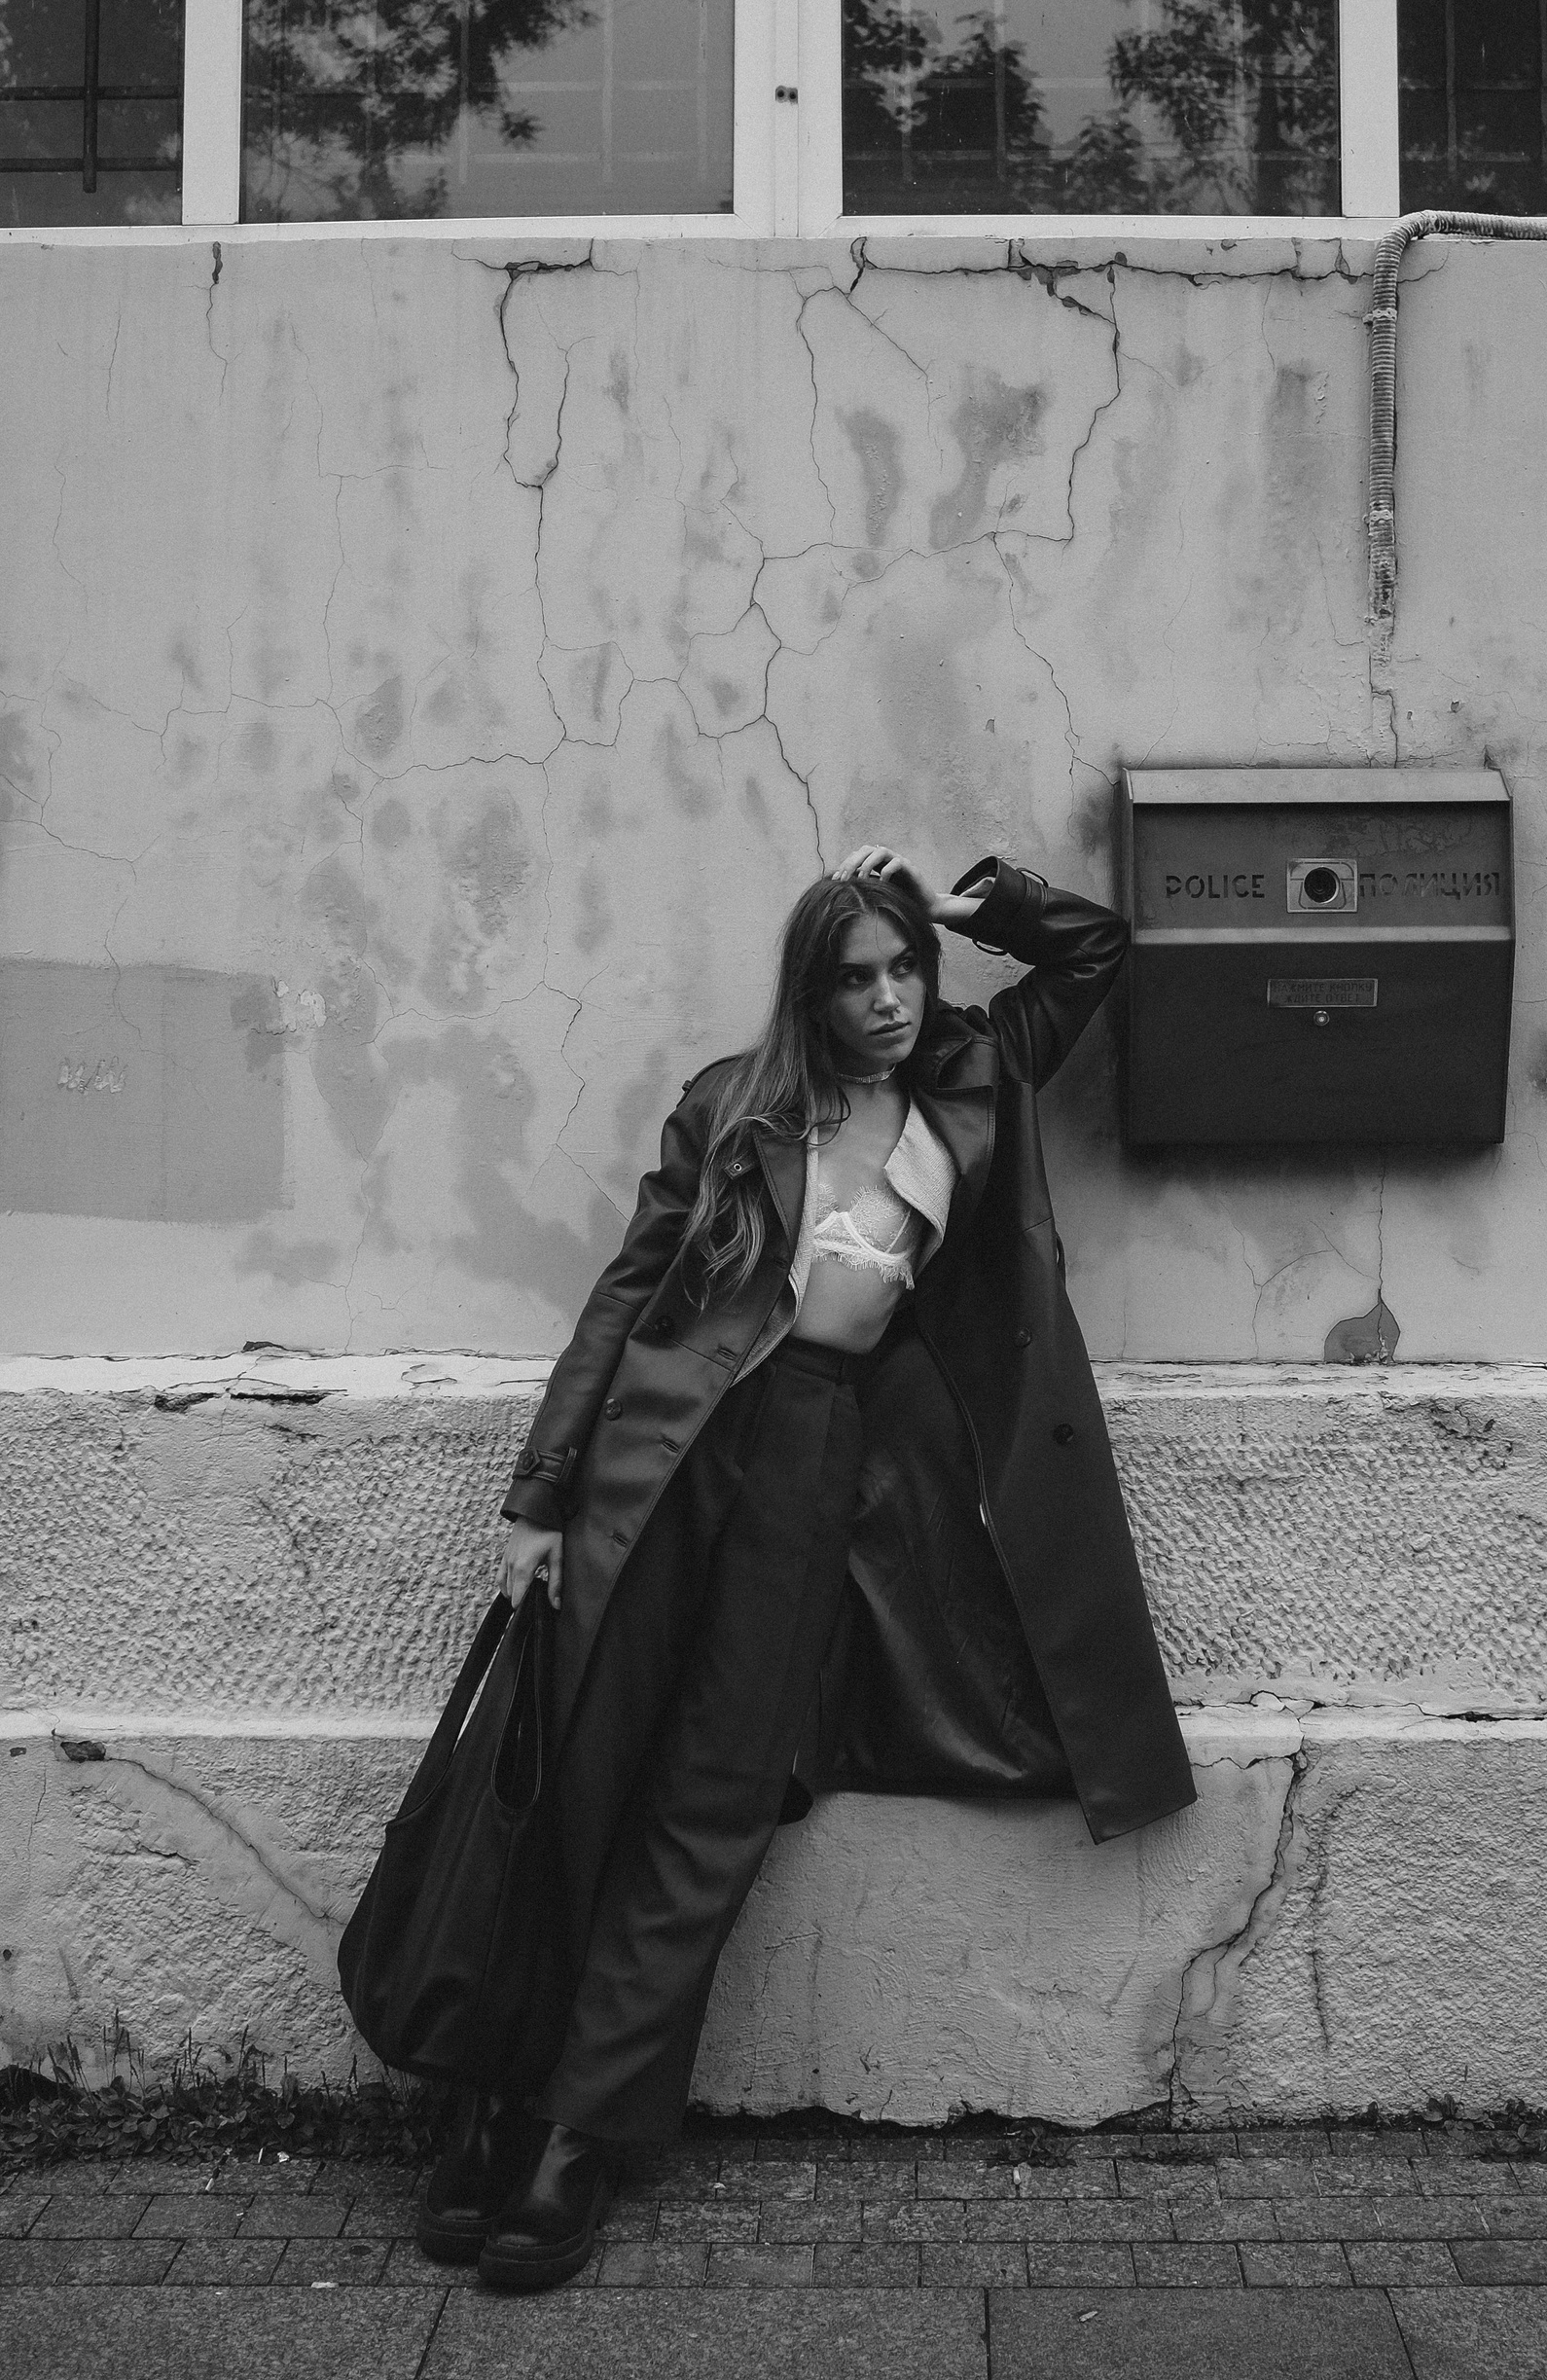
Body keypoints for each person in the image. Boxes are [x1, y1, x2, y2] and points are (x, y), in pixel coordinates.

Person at [414, 845, 1194, 2290]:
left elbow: (1096, 951)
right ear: (811, 994)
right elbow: (626, 1300)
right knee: (579, 1771)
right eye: (857, 978)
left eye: (906, 970)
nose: (890, 1000)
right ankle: (484, 2096)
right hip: (671, 1454)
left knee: (712, 1801)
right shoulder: (734, 1107)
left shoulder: (977, 1081)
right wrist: (540, 1494)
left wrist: (969, 903)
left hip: (824, 1456)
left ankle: (577, 2134)